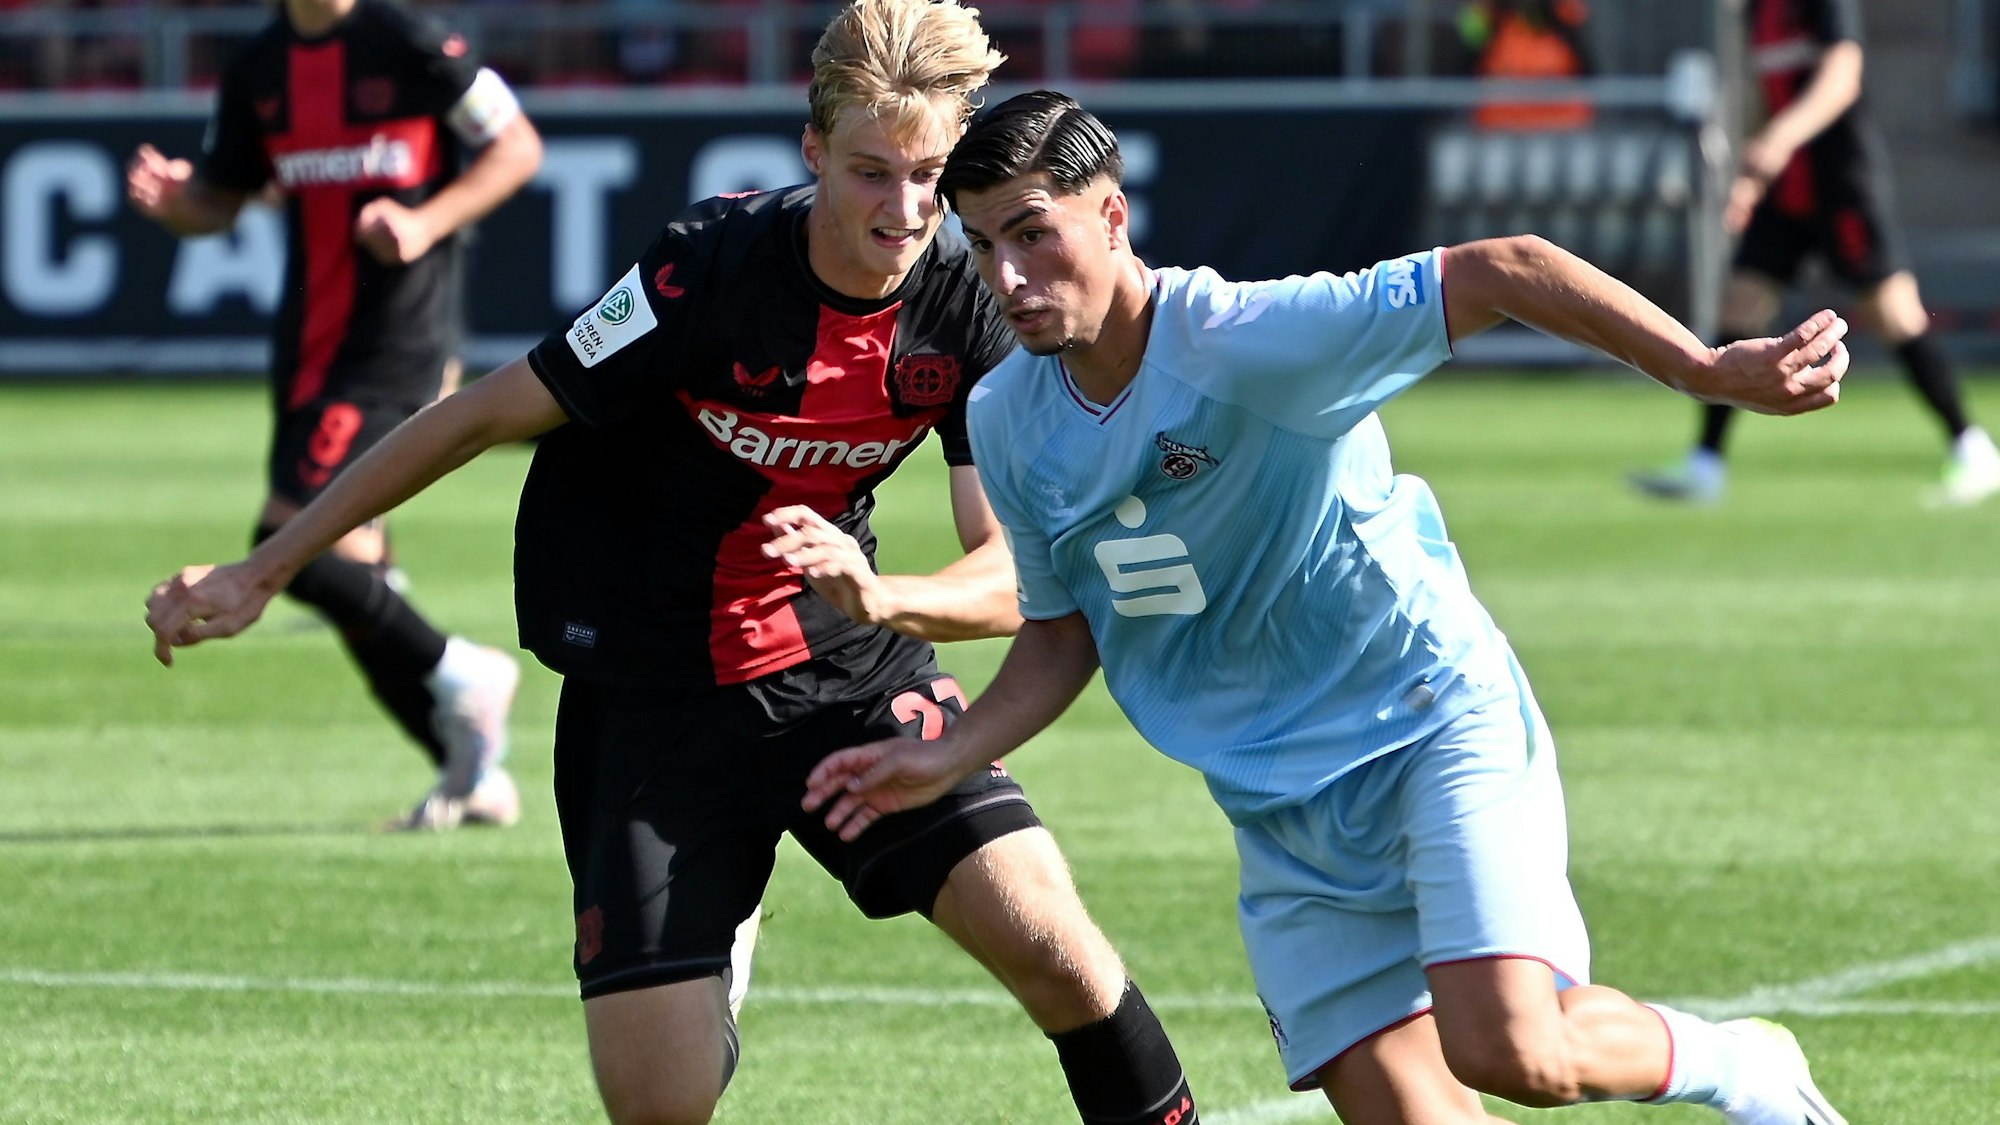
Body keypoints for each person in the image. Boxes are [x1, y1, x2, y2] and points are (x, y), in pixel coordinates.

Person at [145, 6, 1199, 1125]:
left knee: (1062, 958)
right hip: (648, 693)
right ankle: (715, 916)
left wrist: (882, 597)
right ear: (811, 151)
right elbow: (480, 414)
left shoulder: (964, 300)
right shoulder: (706, 270)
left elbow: (1011, 573)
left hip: (847, 674)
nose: (901, 210)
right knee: (661, 1105)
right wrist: (263, 571)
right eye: (868, 172)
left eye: (928, 175)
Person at [804, 91, 1850, 1125]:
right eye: (983, 247)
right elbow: (1062, 628)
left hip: (1425, 724)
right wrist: (950, 753)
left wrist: (1703, 368)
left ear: (1113, 218)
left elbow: (1501, 268)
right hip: (1277, 810)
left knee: (1513, 1050)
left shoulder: (1247, 339)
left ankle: (1737, 1062)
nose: (1009, 279)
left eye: (1034, 235)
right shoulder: (1009, 414)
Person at [127, 0, 545, 829]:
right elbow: (225, 197)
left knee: (297, 544)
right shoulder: (259, 69)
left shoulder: (411, 41)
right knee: (356, 574)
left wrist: (425, 221)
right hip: (308, 350)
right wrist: (183, 204)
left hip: (398, 339)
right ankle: (469, 769)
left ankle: (465, 673)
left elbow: (516, 146)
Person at [1630, 0, 2000, 507]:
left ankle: (1972, 446)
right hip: (1786, 190)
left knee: (1894, 315)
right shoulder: (1756, 11)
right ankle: (1705, 463)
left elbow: (1841, 77)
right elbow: (1766, 96)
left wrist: (1780, 140)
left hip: (1841, 183)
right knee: (1739, 306)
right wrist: (1750, 179)